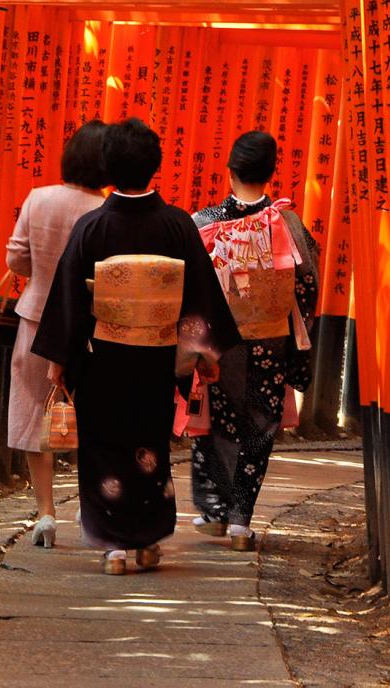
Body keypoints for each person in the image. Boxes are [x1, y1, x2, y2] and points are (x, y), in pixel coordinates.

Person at [31, 118, 241, 575]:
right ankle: (147, 539)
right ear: (155, 166)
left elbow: (69, 299)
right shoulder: (177, 225)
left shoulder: (92, 227)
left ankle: (114, 546)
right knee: (150, 447)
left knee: (105, 447)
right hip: (156, 360)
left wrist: (59, 361)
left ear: (107, 166)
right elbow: (200, 296)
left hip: (102, 360)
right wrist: (203, 356)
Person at [190, 130, 320, 551]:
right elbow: (307, 284)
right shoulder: (287, 223)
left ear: (229, 173)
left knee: (218, 421)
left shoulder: (206, 222)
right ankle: (241, 521)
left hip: (220, 345)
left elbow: (189, 283)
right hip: (271, 343)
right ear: (270, 173)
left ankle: (216, 509)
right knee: (259, 427)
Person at [5, 120, 109, 549]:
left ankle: (45, 512)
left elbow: (16, 258)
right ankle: (90, 508)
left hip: (36, 320)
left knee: (34, 412)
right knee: (93, 417)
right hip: (90, 327)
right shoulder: (104, 210)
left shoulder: (39, 197)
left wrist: (43, 276)